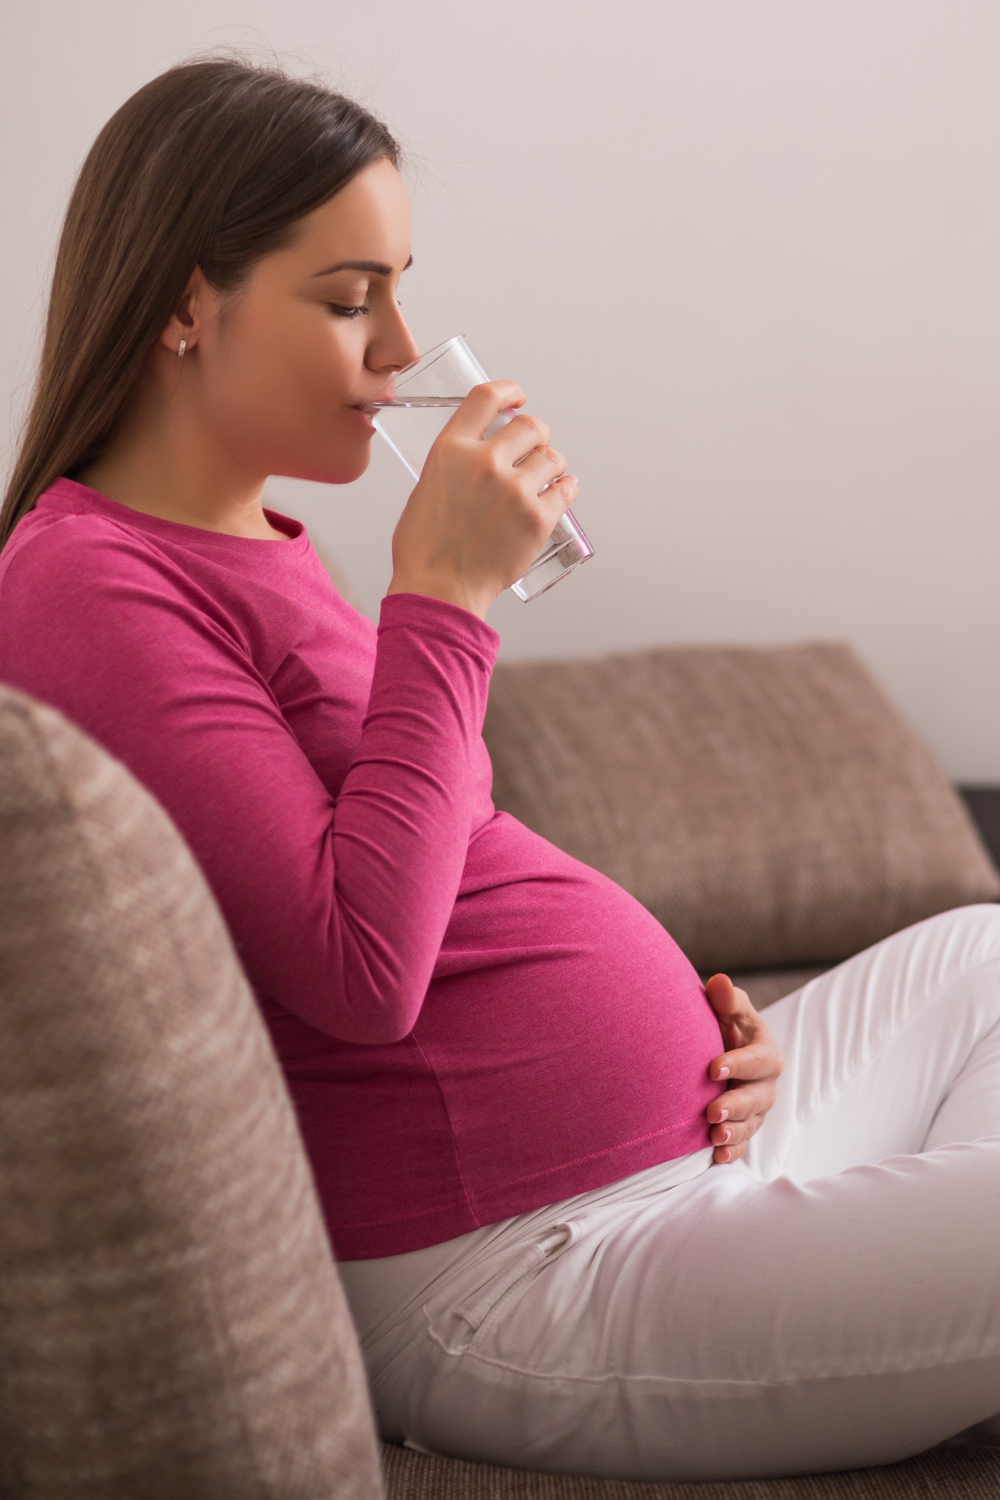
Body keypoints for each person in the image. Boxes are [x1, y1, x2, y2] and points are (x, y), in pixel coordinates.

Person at [0, 58, 998, 1483]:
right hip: (519, 1266)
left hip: (670, 1158)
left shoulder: (264, 550)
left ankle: (904, 1296)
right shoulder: (88, 589)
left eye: (403, 289)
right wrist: (449, 604)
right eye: (352, 299)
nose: (404, 347)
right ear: (183, 303)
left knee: (982, 955)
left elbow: (449, 868)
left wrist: (683, 1034)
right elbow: (361, 970)